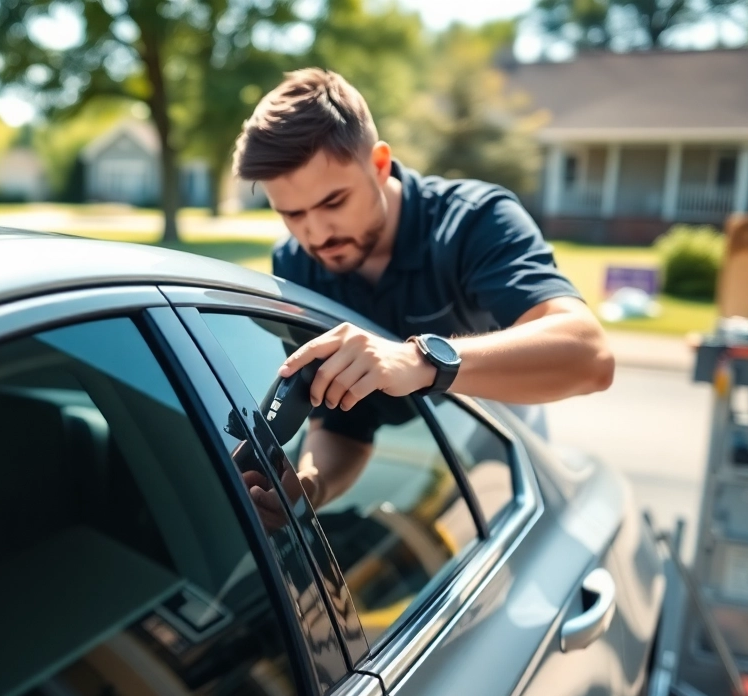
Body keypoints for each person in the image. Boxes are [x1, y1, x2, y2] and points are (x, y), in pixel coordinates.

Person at [232, 68, 614, 510]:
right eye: (292, 214)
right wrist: (312, 489)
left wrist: (420, 360)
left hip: (498, 427)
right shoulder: (295, 264)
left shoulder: (476, 221)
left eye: (333, 202)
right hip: (407, 463)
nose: (316, 234)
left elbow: (592, 357)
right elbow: (341, 423)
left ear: (378, 165)